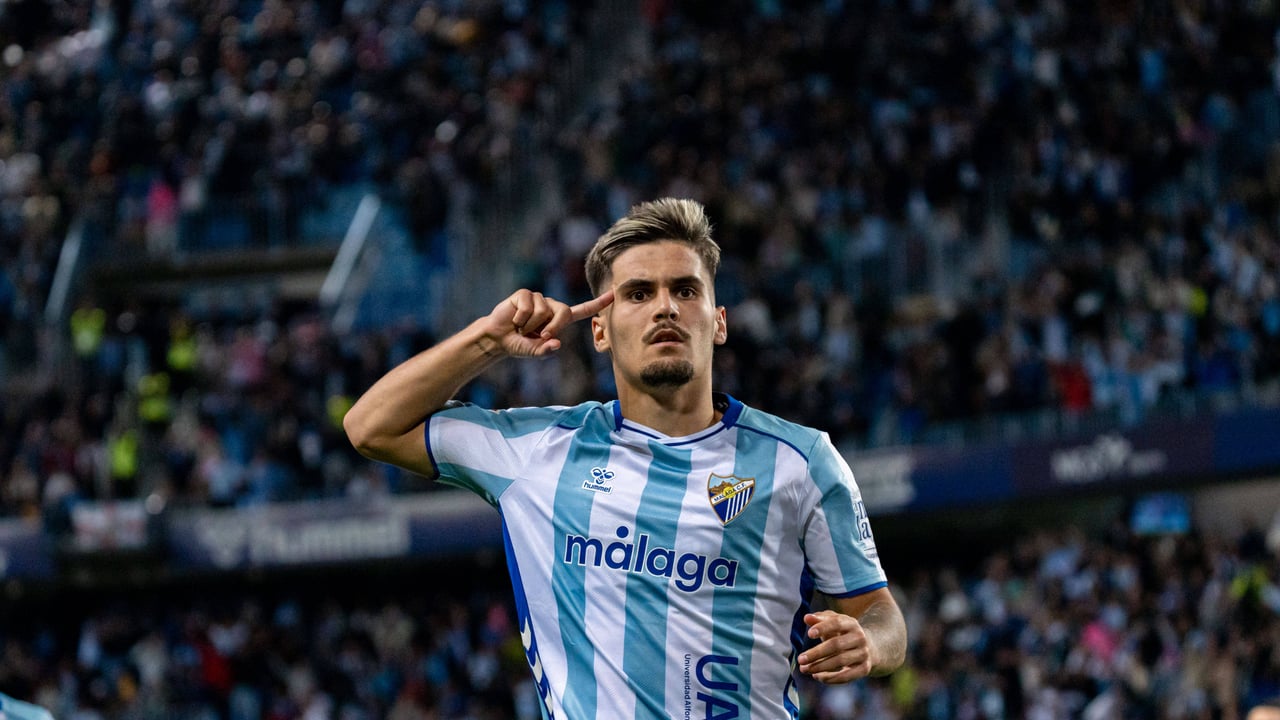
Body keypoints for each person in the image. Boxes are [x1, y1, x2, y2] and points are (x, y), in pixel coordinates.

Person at [344, 197, 907, 718]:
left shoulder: (801, 461)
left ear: (718, 321)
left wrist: (868, 641)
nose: (665, 308)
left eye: (686, 290)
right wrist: (487, 341)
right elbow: (370, 427)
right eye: (638, 294)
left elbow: (882, 616)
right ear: (600, 330)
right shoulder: (537, 451)